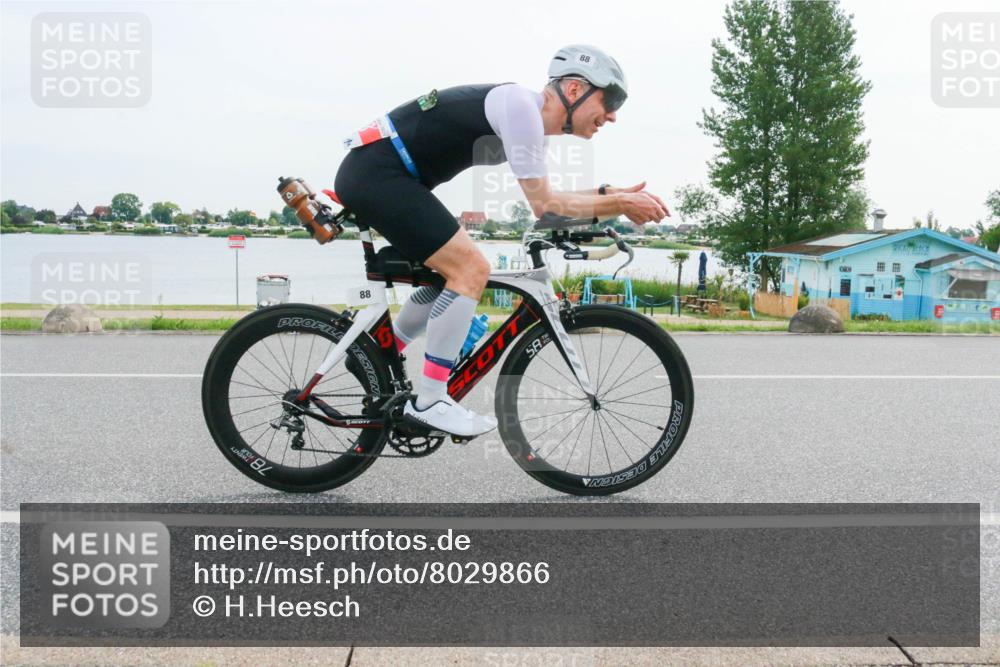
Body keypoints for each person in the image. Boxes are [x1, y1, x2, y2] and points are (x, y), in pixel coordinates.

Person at [334, 44, 669, 438]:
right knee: (471, 268)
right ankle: (431, 400)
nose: (612, 116)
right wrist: (618, 202)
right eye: (609, 101)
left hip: (383, 174)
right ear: (575, 90)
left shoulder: (528, 121)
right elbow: (547, 206)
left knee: (447, 275)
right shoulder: (519, 108)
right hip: (379, 173)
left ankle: (373, 352)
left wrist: (608, 195)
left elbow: (548, 199)